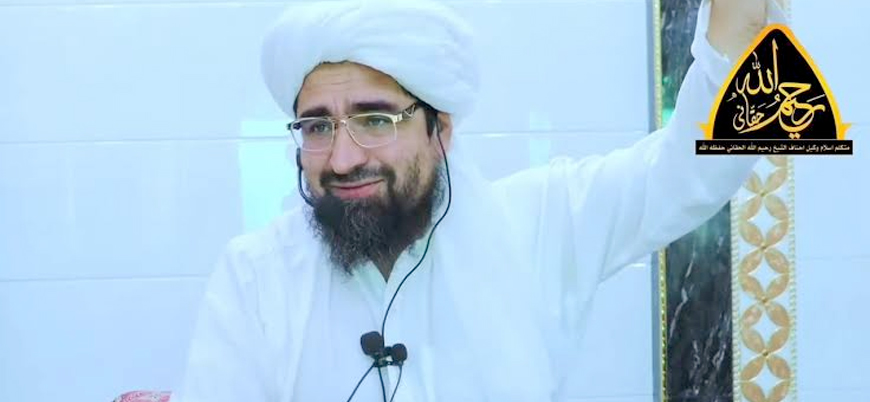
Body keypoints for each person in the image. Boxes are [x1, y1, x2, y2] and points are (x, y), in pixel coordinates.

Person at [174, 0, 786, 401]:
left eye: (375, 120)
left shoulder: (537, 226)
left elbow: (686, 172)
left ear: (440, 130)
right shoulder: (256, 276)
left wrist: (734, 39)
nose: (342, 158)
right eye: (317, 126)